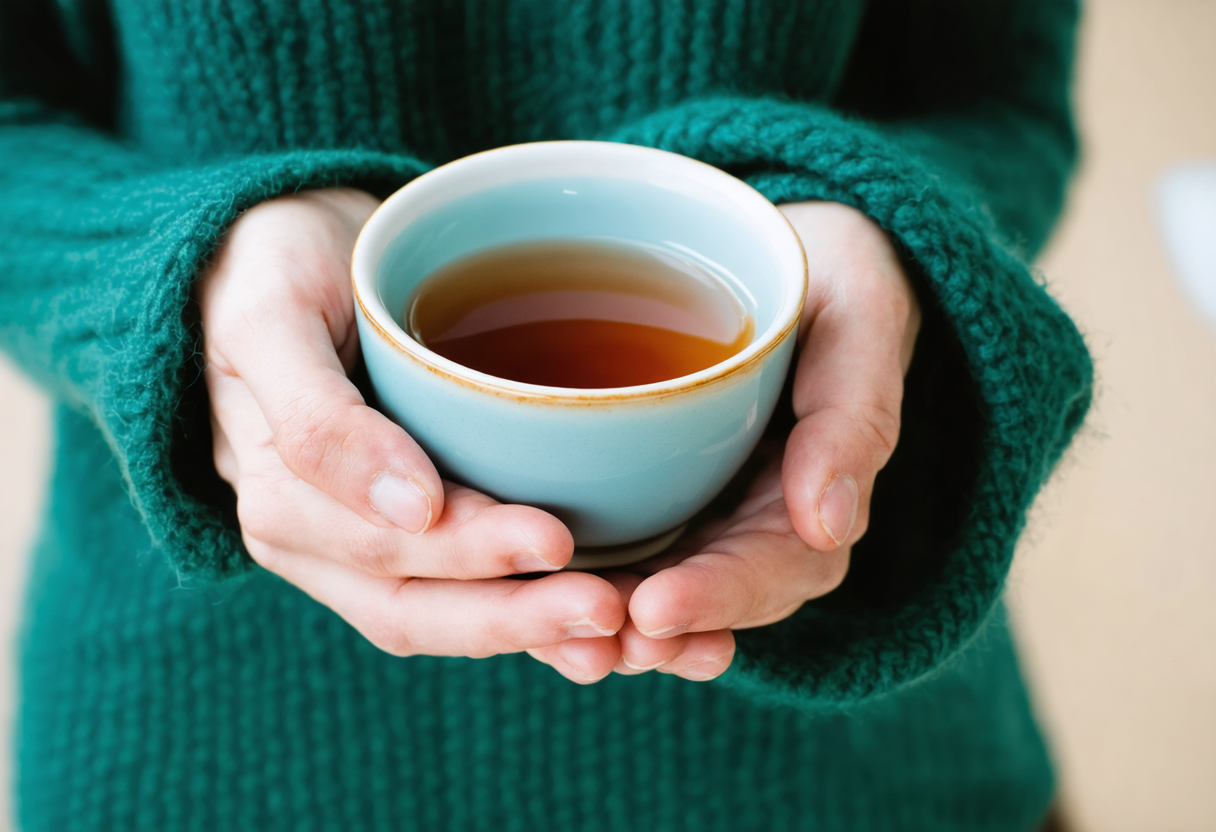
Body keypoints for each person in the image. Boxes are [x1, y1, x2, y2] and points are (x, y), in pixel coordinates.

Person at [0, 1, 1092, 830]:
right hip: (190, 743)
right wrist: (168, 277)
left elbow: (995, 97)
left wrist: (872, 224)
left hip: (860, 763)